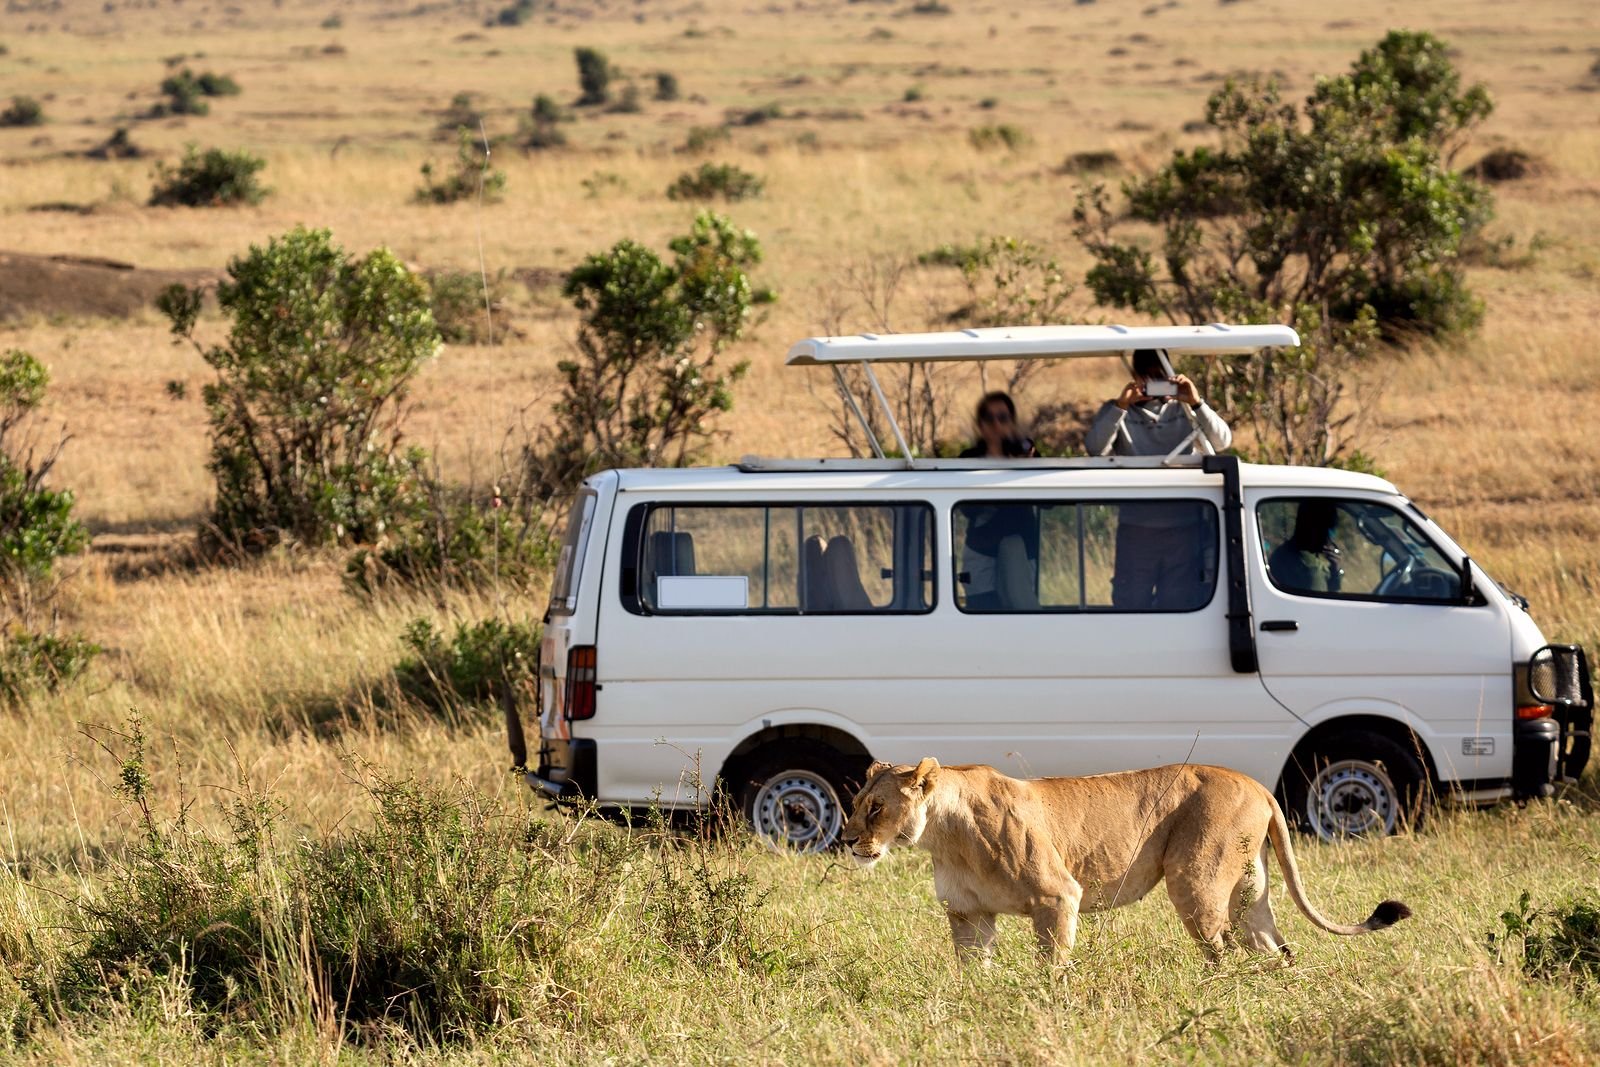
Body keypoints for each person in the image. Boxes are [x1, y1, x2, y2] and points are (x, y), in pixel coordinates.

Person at [1085, 349, 1231, 458]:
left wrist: (1196, 403)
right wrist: (1120, 407)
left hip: (1183, 481)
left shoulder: (1185, 407)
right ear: (1135, 376)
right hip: (1135, 483)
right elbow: (1095, 450)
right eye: (1146, 376)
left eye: (1159, 376)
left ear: (1170, 375)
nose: (1152, 382)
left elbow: (1222, 443)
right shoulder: (1116, 409)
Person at [1268, 499, 1344, 595]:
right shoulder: (1312, 571)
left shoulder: (1281, 553)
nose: (1331, 537)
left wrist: (1334, 570)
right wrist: (1336, 574)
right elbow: (1331, 601)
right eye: (1330, 529)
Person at [960, 391, 1037, 459]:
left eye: (1003, 418)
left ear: (1012, 423)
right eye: (989, 418)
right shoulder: (967, 459)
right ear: (980, 425)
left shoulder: (1028, 455)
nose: (996, 425)